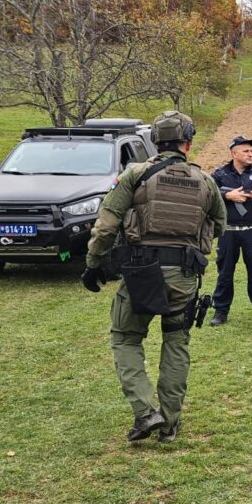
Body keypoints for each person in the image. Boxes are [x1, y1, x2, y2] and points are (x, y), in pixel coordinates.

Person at [81, 110, 226, 443]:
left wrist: (93, 263)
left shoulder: (136, 175)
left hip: (140, 273)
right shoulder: (206, 181)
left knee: (126, 338)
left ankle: (146, 413)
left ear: (155, 142)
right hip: (185, 275)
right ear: (187, 143)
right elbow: (218, 224)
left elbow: (106, 225)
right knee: (176, 342)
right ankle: (171, 423)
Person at [208, 136, 252, 327]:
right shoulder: (219, 175)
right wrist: (227, 195)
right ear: (234, 153)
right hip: (228, 232)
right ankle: (221, 311)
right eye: (246, 151)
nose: (250, 154)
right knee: (225, 272)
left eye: (251, 151)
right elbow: (207, 197)